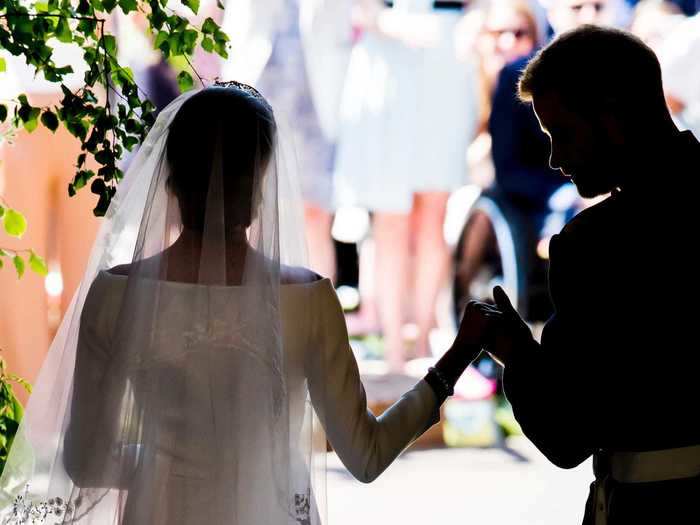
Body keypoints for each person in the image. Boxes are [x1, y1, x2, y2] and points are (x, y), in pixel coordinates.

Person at [0, 84, 494, 524]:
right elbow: (366, 456)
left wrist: (169, 459)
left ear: (169, 180)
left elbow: (86, 462)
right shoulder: (310, 301)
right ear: (262, 182)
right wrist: (455, 359)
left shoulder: (113, 295)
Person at [473, 26, 700, 524]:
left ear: (612, 116)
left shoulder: (594, 246)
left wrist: (514, 350)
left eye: (563, 135)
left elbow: (567, 435)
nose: (555, 159)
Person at [334, 0, 479, 370]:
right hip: (390, 71)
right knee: (391, 221)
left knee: (434, 215)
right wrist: (390, 22)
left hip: (445, 70)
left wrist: (472, 25)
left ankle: (423, 338)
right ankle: (395, 346)